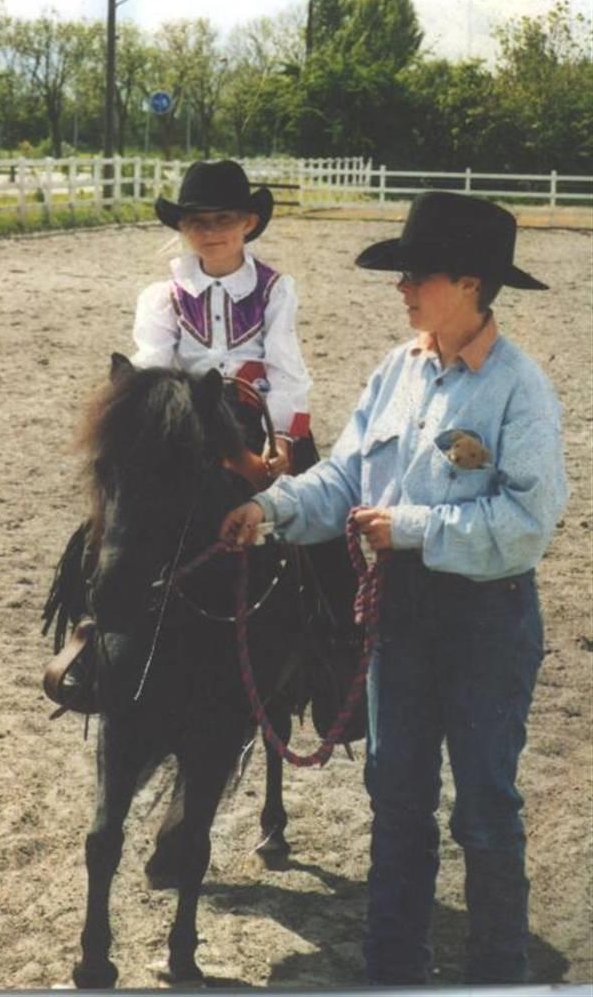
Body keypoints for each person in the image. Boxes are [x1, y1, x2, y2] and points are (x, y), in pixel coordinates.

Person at [219, 190, 568, 985]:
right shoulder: (395, 371)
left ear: (471, 283)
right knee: (398, 799)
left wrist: (410, 529)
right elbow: (343, 476)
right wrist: (267, 508)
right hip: (401, 620)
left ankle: (497, 973)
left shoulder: (522, 389)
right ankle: (392, 971)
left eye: (418, 273)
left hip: (487, 619)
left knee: (484, 807)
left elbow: (527, 524)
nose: (402, 288)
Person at [132, 158, 312, 483]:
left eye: (223, 219)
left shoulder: (274, 290)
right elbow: (152, 364)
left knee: (304, 505)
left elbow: (285, 369)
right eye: (197, 221)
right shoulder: (165, 296)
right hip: (191, 421)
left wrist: (280, 437)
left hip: (259, 417)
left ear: (248, 222)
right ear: (182, 228)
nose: (210, 231)